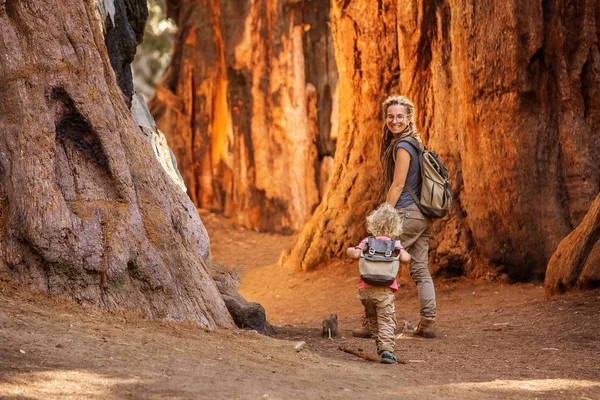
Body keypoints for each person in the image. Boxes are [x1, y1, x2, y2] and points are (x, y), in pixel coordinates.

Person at [379, 94, 438, 338]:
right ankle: (428, 321)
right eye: (390, 116)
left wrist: (383, 215)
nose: (394, 121)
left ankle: (377, 323)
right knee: (420, 268)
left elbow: (398, 185)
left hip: (406, 213)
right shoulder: (415, 142)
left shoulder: (403, 146)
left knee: (381, 262)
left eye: (400, 116)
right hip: (422, 215)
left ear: (409, 118)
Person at [346, 203, 411, 364]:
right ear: (395, 226)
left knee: (373, 319)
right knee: (387, 319)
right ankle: (387, 349)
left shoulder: (367, 242)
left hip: (365, 290)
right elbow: (406, 258)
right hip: (385, 290)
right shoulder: (395, 244)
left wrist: (349, 250)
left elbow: (353, 254)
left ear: (373, 224)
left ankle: (379, 345)